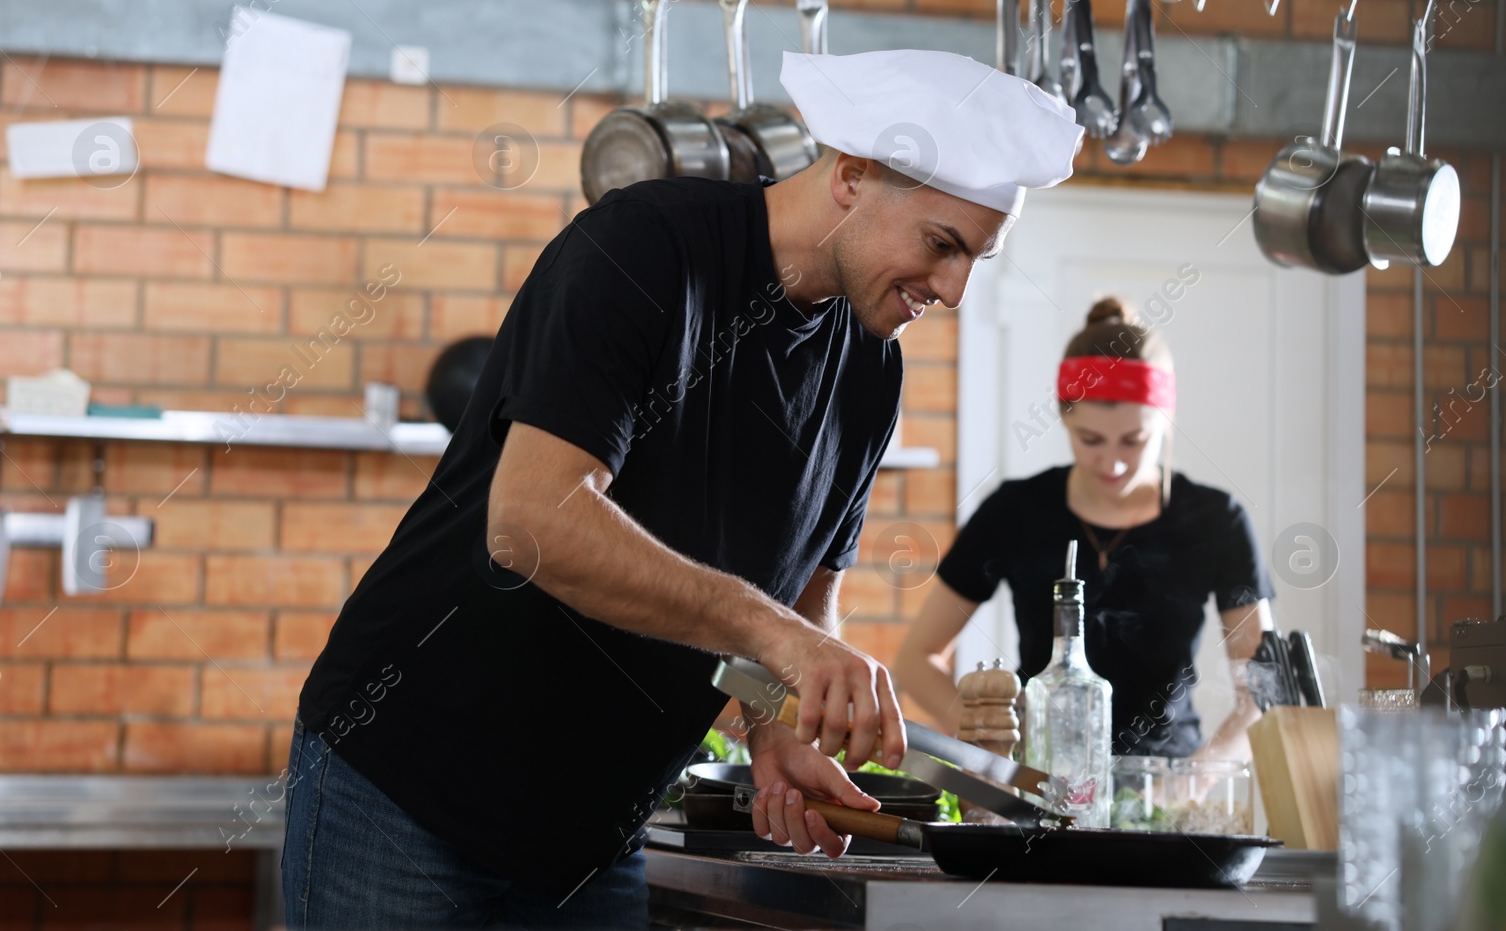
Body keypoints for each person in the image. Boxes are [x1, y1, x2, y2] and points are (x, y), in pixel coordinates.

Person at [281, 48, 1083, 929]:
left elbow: (809, 596)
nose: (957, 288)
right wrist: (773, 637)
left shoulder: (870, 372)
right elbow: (532, 521)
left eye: (979, 257)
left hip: (591, 835)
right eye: (943, 244)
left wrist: (778, 725)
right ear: (852, 175)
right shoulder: (647, 249)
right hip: (410, 785)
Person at [895, 298, 1274, 761]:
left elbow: (1260, 688)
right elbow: (917, 660)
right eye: (1090, 440)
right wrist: (993, 742)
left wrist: (1197, 778)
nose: (1112, 462)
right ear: (1064, 417)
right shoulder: (1016, 510)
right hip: (1040, 780)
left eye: (1134, 441)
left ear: (1164, 420)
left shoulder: (1216, 519)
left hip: (1164, 785)